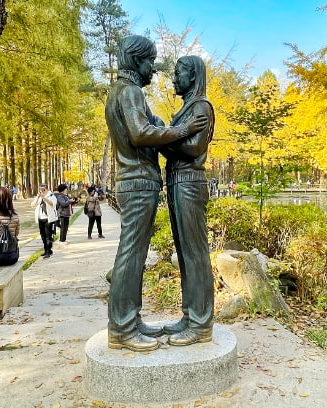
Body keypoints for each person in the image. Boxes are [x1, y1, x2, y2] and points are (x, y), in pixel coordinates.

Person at [104, 35, 207, 352]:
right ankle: (122, 327)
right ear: (137, 60)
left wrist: (160, 125)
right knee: (132, 254)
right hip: (137, 181)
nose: (154, 69)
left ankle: (129, 321)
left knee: (133, 253)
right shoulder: (130, 91)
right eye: (150, 61)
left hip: (140, 181)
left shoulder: (122, 92)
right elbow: (140, 133)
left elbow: (146, 128)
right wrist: (182, 130)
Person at [160, 55, 215, 346]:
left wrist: (159, 138)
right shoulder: (186, 110)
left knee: (195, 252)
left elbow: (193, 149)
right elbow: (180, 144)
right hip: (176, 181)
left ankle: (202, 323)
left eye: (178, 73)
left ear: (192, 76)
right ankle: (189, 315)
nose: (173, 78)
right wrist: (170, 137)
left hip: (190, 183)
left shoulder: (201, 107)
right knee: (184, 253)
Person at [31, 184, 58, 258]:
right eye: (41, 190)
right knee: (43, 236)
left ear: (47, 189)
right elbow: (33, 205)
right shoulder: (39, 197)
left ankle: (49, 251)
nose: (43, 192)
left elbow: (52, 204)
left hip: (48, 219)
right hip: (40, 219)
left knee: (48, 236)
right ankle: (46, 250)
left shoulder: (51, 196)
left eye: (44, 190)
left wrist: (45, 198)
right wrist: (37, 197)